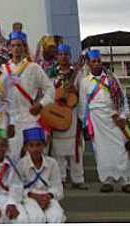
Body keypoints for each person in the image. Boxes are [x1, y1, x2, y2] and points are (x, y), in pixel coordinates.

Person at [78, 49, 130, 193]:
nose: (97, 64)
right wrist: (86, 123)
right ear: (88, 64)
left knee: (122, 149)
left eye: (99, 61)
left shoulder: (113, 78)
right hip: (97, 121)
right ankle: (107, 181)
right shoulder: (84, 82)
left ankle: (126, 181)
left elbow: (122, 100)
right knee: (101, 151)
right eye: (93, 61)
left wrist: (123, 117)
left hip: (115, 119)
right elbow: (82, 104)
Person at [4, 31, 55, 161]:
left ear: (24, 47)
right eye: (13, 45)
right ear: (9, 47)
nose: (16, 48)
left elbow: (50, 90)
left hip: (30, 116)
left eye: (19, 45)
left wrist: (41, 104)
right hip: (10, 120)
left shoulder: (34, 68)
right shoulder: (3, 69)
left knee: (32, 155)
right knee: (13, 156)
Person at [50, 44, 88, 189]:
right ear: (57, 56)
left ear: (70, 56)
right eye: (61, 54)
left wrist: (75, 91)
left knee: (76, 148)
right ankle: (61, 178)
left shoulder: (78, 73)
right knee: (58, 150)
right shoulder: (52, 73)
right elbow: (48, 91)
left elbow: (83, 93)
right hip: (57, 114)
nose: (63, 57)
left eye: (66, 54)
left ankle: (78, 179)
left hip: (72, 114)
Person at [19, 127, 66, 223]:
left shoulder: (52, 163)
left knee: (57, 216)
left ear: (44, 145)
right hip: (29, 198)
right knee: (36, 217)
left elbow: (58, 188)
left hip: (48, 197)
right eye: (31, 145)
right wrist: (35, 196)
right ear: (26, 147)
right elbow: (18, 188)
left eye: (38, 145)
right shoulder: (21, 164)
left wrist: (48, 196)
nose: (35, 149)